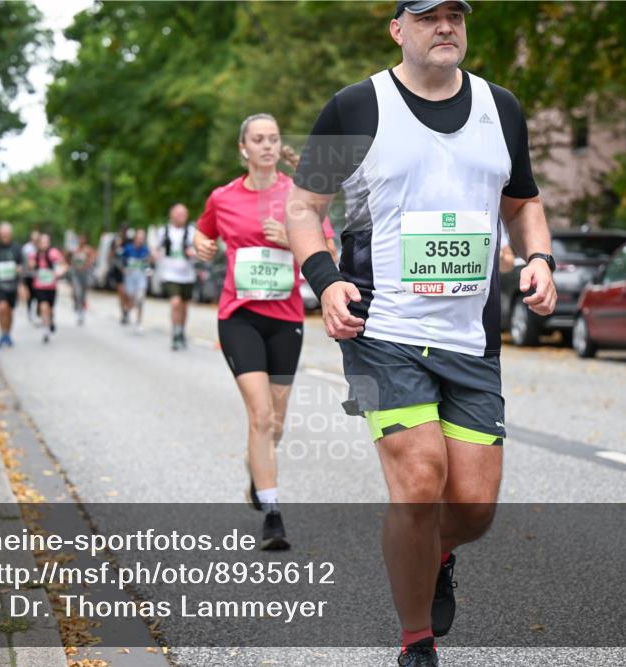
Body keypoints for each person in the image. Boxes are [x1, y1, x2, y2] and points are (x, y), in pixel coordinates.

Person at [285, 2, 557, 664]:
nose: (446, 27)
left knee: (474, 506)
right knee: (420, 478)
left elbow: (522, 203)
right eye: (429, 16)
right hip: (381, 327)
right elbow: (303, 206)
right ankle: (416, 642)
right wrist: (325, 279)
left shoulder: (503, 109)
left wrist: (540, 257)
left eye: (456, 16)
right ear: (397, 29)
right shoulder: (357, 107)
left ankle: (435, 553)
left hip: (472, 338)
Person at [194, 113, 337, 550]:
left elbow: (329, 250)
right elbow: (204, 237)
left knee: (275, 422)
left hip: (285, 318)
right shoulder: (223, 197)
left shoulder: (299, 198)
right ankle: (273, 514)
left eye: (274, 138)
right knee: (259, 414)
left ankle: (257, 474)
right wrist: (201, 246)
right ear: (244, 148)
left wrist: (289, 240)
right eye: (258, 139)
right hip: (239, 317)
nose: (268, 145)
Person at [155, 204, 196, 350]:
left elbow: (198, 249)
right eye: (179, 214)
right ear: (172, 215)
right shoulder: (164, 231)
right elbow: (156, 248)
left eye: (184, 214)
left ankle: (181, 331)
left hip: (187, 275)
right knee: (175, 303)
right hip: (170, 274)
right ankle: (175, 332)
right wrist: (154, 255)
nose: (182, 217)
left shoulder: (191, 231)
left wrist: (194, 253)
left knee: (184, 307)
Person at [0, 222, 25, 348]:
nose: (4, 236)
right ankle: (2, 333)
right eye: (2, 233)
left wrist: (20, 269)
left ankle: (8, 333)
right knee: (2, 307)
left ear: (10, 234)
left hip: (13, 285)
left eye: (6, 233)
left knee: (10, 311)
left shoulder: (17, 248)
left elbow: (23, 264)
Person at [29, 233, 67, 344]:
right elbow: (30, 265)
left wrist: (59, 272)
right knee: (43, 306)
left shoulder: (53, 253)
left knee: (50, 309)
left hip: (51, 286)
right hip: (39, 286)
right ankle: (45, 330)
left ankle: (50, 321)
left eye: (46, 242)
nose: (44, 245)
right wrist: (32, 264)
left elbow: (64, 265)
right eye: (42, 242)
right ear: (38, 243)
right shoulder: (34, 254)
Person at [121, 229, 151, 332]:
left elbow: (147, 263)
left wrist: (148, 270)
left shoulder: (145, 250)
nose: (140, 240)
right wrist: (123, 268)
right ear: (135, 238)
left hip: (141, 277)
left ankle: (139, 322)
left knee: (140, 299)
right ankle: (127, 310)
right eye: (139, 238)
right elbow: (121, 260)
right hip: (130, 277)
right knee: (132, 299)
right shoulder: (128, 248)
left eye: (142, 238)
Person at [67, 234, 96, 325]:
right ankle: (77, 305)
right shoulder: (74, 249)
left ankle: (81, 312)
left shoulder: (88, 249)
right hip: (75, 273)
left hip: (84, 274)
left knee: (83, 294)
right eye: (80, 239)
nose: (81, 240)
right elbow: (68, 259)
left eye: (83, 239)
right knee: (76, 292)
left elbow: (92, 260)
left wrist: (86, 264)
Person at [20, 229, 39, 322]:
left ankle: (35, 312)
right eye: (34, 238)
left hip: (38, 276)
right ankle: (29, 311)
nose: (35, 240)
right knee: (30, 294)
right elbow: (24, 262)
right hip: (28, 275)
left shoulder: (40, 247)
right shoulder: (26, 248)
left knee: (37, 294)